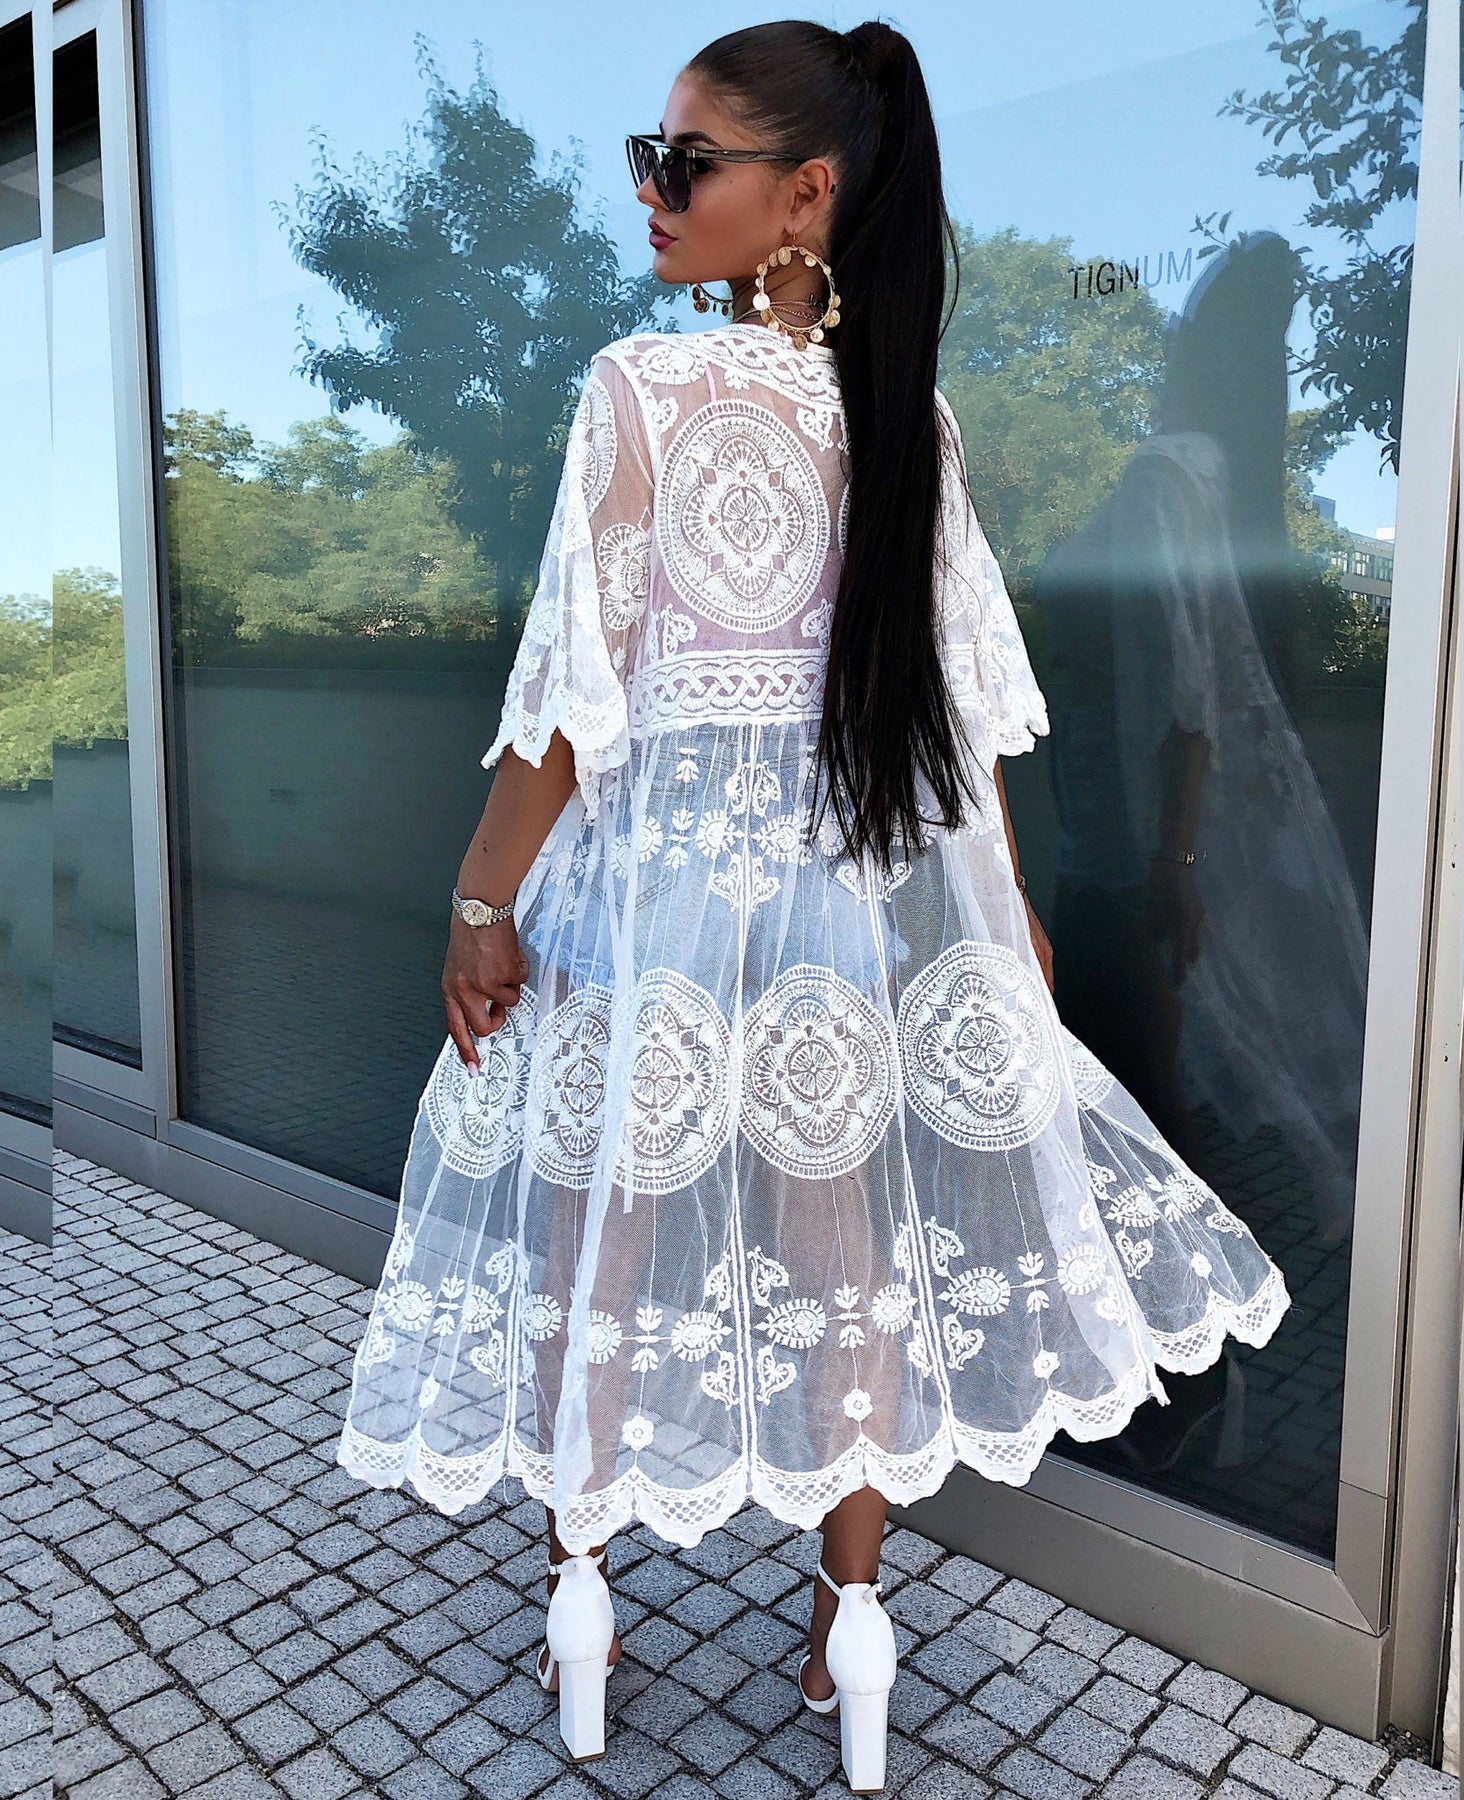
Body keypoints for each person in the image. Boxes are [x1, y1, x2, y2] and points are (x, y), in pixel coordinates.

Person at [337, 19, 1294, 1794]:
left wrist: (479, 899)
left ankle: (582, 1609)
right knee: (845, 1253)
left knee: (603, 1238)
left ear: (806, 196)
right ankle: (853, 1633)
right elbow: (968, 723)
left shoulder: (641, 389)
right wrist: (1006, 920)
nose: (650, 190)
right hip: (843, 914)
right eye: (650, 155)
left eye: (685, 161)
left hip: (652, 902)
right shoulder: (907, 418)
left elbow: (571, 706)